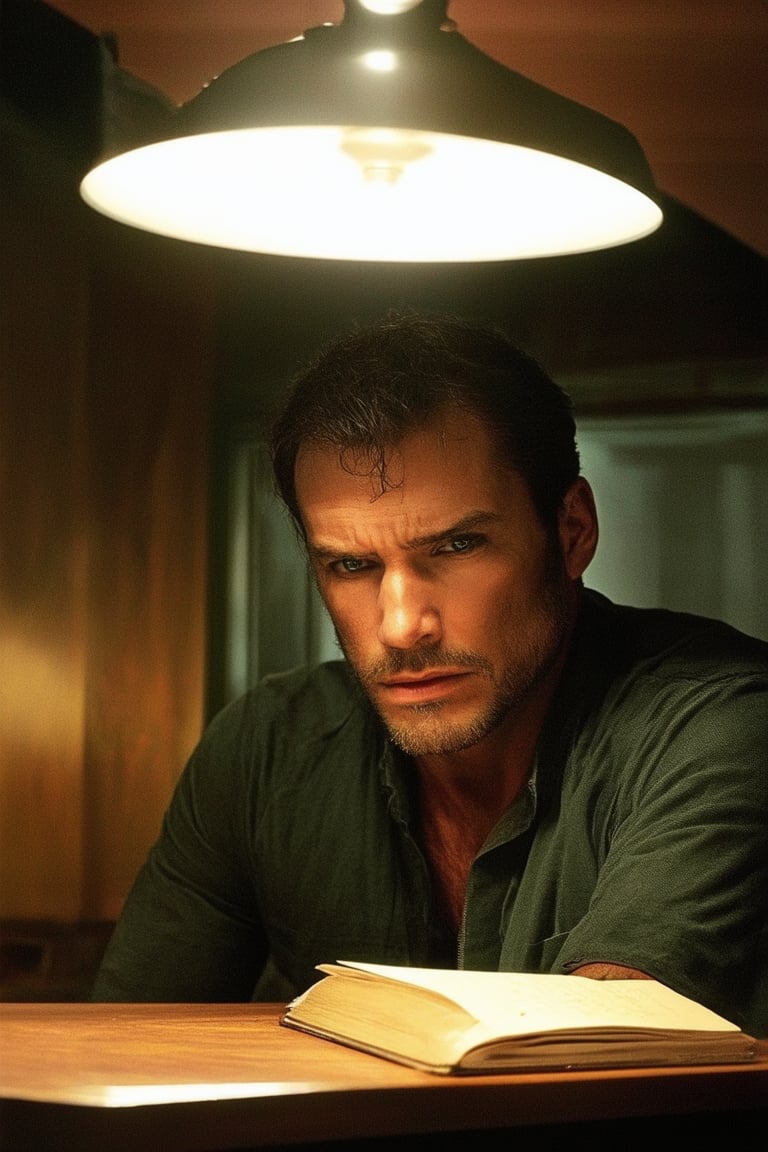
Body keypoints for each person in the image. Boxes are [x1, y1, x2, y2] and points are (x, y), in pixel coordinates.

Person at [91, 311, 768, 1036]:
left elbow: (589, 1056)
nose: (401, 624)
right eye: (351, 565)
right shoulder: (268, 749)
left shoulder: (719, 724)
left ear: (571, 532)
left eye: (456, 545)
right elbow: (109, 1054)